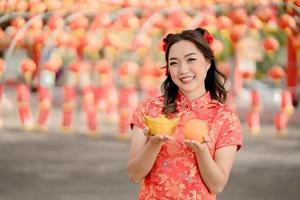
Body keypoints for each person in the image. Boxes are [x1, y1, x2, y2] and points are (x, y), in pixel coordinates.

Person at [127, 27, 242, 200]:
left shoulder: (226, 118)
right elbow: (134, 174)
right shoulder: (149, 109)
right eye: (174, 62)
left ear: (207, 62)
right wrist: (154, 143)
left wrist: (202, 151)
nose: (182, 70)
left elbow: (217, 184)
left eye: (191, 60)